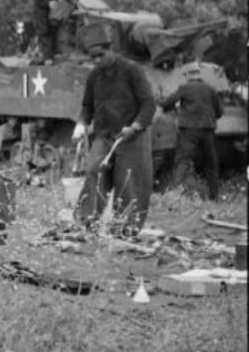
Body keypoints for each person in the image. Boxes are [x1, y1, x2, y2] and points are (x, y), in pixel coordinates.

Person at [72, 22, 156, 234]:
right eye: (94, 58)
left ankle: (126, 227)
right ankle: (86, 221)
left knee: (127, 181)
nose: (98, 61)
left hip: (132, 136)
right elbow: (86, 106)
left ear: (111, 50)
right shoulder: (94, 76)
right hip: (104, 135)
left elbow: (148, 104)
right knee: (93, 170)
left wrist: (135, 126)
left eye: (101, 55)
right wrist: (81, 125)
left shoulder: (132, 70)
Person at [160, 63, 223, 201]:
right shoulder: (211, 89)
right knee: (211, 163)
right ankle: (215, 197)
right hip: (208, 130)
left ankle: (174, 194)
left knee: (183, 160)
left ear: (188, 75)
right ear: (199, 74)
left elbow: (168, 103)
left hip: (189, 130)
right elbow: (219, 112)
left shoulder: (185, 88)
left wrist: (162, 102)